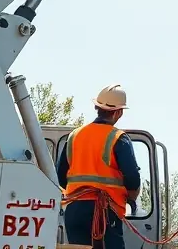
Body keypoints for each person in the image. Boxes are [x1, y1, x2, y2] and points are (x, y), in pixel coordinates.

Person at [56, 84, 141, 249]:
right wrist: (130, 198)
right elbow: (132, 178)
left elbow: (60, 176)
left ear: (97, 107)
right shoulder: (118, 138)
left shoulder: (74, 136)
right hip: (104, 212)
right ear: (119, 112)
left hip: (74, 212)